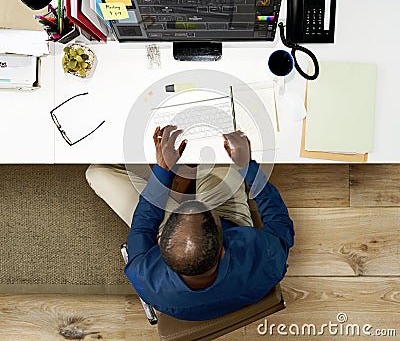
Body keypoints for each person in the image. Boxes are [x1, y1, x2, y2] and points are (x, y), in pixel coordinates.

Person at [86, 125, 294, 321]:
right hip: (231, 223)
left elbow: (143, 224)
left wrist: (162, 172)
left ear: (159, 243)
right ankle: (198, 175)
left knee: (96, 172)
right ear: (223, 249)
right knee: (218, 150)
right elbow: (278, 218)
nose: (198, 200)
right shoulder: (266, 258)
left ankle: (180, 183)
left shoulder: (144, 276)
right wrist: (247, 166)